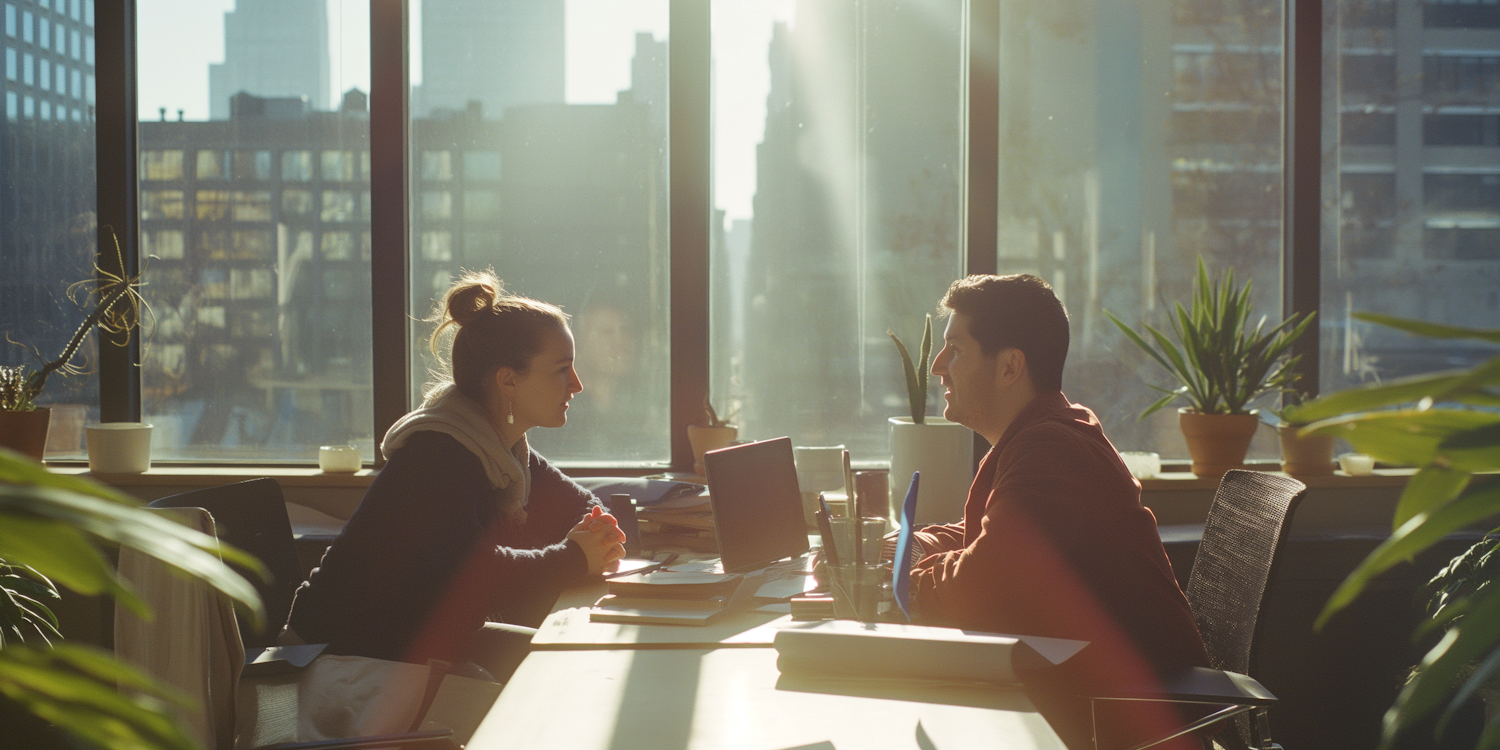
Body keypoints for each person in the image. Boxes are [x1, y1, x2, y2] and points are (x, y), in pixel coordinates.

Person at [906, 273, 1209, 749]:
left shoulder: (1050, 449)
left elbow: (978, 587)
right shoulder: (1042, 434)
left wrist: (898, 582)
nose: (938, 366)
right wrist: (906, 547)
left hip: (1120, 719)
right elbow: (982, 539)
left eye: (956, 349)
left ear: (1010, 368)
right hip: (1086, 698)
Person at [283, 271, 626, 681]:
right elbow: (471, 576)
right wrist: (574, 557)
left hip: (401, 646)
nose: (577, 384)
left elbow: (583, 507)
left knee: (572, 661)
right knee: (560, 674)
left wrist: (597, 536)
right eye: (561, 369)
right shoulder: (439, 454)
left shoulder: (502, 449)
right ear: (508, 380)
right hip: (339, 663)